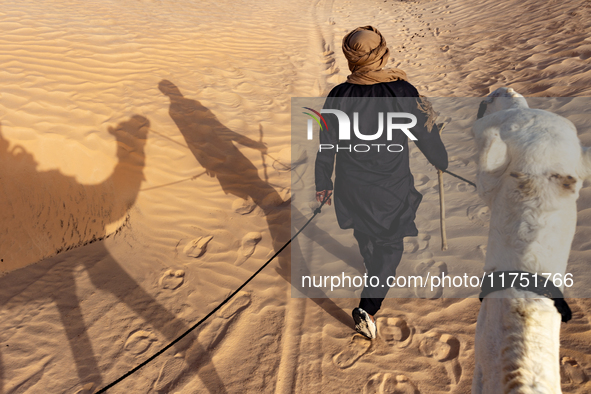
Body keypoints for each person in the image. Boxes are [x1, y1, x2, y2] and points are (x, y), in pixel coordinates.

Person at [314, 26, 448, 339]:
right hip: (391, 189)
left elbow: (326, 144)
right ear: (381, 53)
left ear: (352, 57)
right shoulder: (401, 91)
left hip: (351, 187)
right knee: (390, 247)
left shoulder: (338, 96)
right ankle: (369, 307)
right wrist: (441, 161)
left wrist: (324, 183)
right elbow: (425, 134)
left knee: (366, 232)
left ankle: (374, 269)